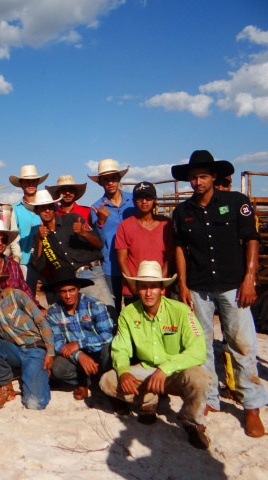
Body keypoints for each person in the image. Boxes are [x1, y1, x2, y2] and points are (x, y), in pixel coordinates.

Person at [172, 150, 268, 437]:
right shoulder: (182, 211)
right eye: (193, 177)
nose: (198, 181)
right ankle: (209, 398)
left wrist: (249, 278)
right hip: (199, 287)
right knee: (201, 347)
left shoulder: (236, 202)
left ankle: (251, 406)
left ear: (214, 177)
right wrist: (183, 285)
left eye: (203, 176)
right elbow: (180, 249)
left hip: (232, 285)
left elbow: (251, 238)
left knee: (242, 343)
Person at [99, 261, 211, 449]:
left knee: (201, 379)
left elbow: (198, 351)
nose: (148, 292)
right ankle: (148, 401)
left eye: (153, 287)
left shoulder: (181, 311)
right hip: (146, 370)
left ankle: (191, 422)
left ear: (162, 289)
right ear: (137, 290)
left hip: (176, 370)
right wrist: (124, 371)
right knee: (107, 381)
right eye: (143, 287)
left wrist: (165, 368)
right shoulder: (128, 313)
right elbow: (121, 348)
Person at [0, 264, 55, 410]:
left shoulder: (16, 295)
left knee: (34, 403)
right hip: (13, 350)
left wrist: (50, 351)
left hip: (34, 348)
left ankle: (36, 374)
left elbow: (41, 321)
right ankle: (6, 386)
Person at [29, 190, 115, 312]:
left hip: (89, 272)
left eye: (49, 207)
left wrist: (83, 233)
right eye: (42, 208)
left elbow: (98, 244)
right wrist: (40, 240)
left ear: (54, 207)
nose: (47, 210)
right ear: (36, 211)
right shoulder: (38, 236)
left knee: (108, 312)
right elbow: (37, 265)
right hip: (68, 282)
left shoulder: (73, 218)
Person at [44, 266, 113, 401]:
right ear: (57, 292)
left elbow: (108, 334)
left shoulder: (95, 305)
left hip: (97, 350)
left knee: (109, 351)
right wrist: (79, 355)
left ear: (78, 288)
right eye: (63, 291)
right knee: (57, 368)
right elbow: (57, 342)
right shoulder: (53, 312)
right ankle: (83, 380)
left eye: (71, 290)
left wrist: (80, 343)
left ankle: (106, 382)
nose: (68, 295)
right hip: (74, 356)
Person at [89, 159, 136, 311]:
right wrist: (100, 223)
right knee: (112, 309)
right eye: (106, 179)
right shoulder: (96, 207)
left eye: (113, 178)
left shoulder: (134, 200)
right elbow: (98, 241)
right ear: (100, 182)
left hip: (134, 263)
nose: (110, 182)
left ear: (119, 179)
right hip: (110, 266)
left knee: (135, 307)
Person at [115, 182, 174, 305]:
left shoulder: (166, 225)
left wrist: (158, 285)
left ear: (155, 200)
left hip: (159, 290)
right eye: (140, 198)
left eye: (148, 197)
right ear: (134, 200)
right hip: (132, 291)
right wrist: (135, 289)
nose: (144, 201)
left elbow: (170, 258)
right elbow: (122, 260)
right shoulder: (124, 226)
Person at [9, 165, 49, 294]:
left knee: (51, 295)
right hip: (24, 260)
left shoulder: (48, 207)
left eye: (33, 180)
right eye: (27, 181)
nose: (31, 184)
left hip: (47, 259)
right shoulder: (14, 209)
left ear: (38, 182)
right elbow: (14, 236)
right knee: (28, 297)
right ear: (21, 184)